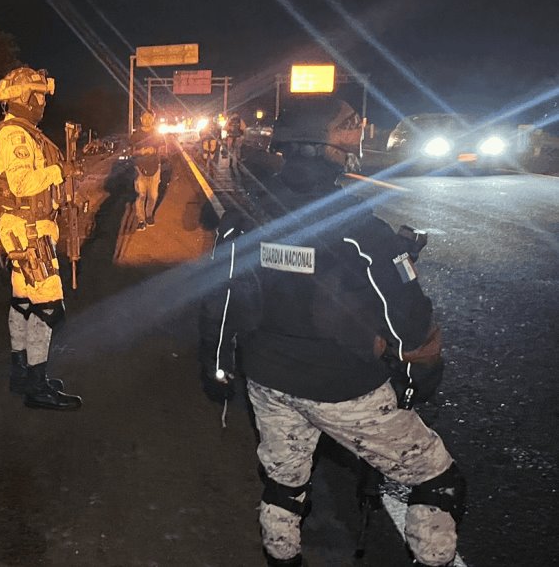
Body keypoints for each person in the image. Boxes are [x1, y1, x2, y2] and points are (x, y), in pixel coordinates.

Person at [199, 96, 464, 567]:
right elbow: (408, 325)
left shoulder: (243, 220)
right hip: (344, 389)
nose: (358, 129)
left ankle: (283, 560)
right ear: (318, 144)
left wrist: (218, 367)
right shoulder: (359, 227)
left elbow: (219, 301)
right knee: (437, 479)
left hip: (267, 381)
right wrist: (422, 364)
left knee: (285, 483)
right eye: (347, 125)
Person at [0, 65, 83, 411]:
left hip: (24, 228)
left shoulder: (19, 132)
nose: (42, 102)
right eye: (38, 95)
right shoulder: (14, 137)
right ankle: (37, 386)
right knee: (48, 307)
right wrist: (60, 171)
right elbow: (23, 184)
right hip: (29, 232)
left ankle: (22, 373)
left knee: (23, 302)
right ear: (24, 98)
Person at [130, 110, 165, 230]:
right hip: (139, 169)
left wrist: (154, 151)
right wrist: (141, 151)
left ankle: (149, 215)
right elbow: (131, 152)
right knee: (141, 195)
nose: (147, 120)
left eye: (150, 117)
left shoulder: (157, 134)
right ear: (140, 119)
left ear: (153, 119)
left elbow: (164, 150)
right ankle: (141, 219)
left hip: (155, 168)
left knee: (153, 195)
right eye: (144, 117)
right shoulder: (135, 135)